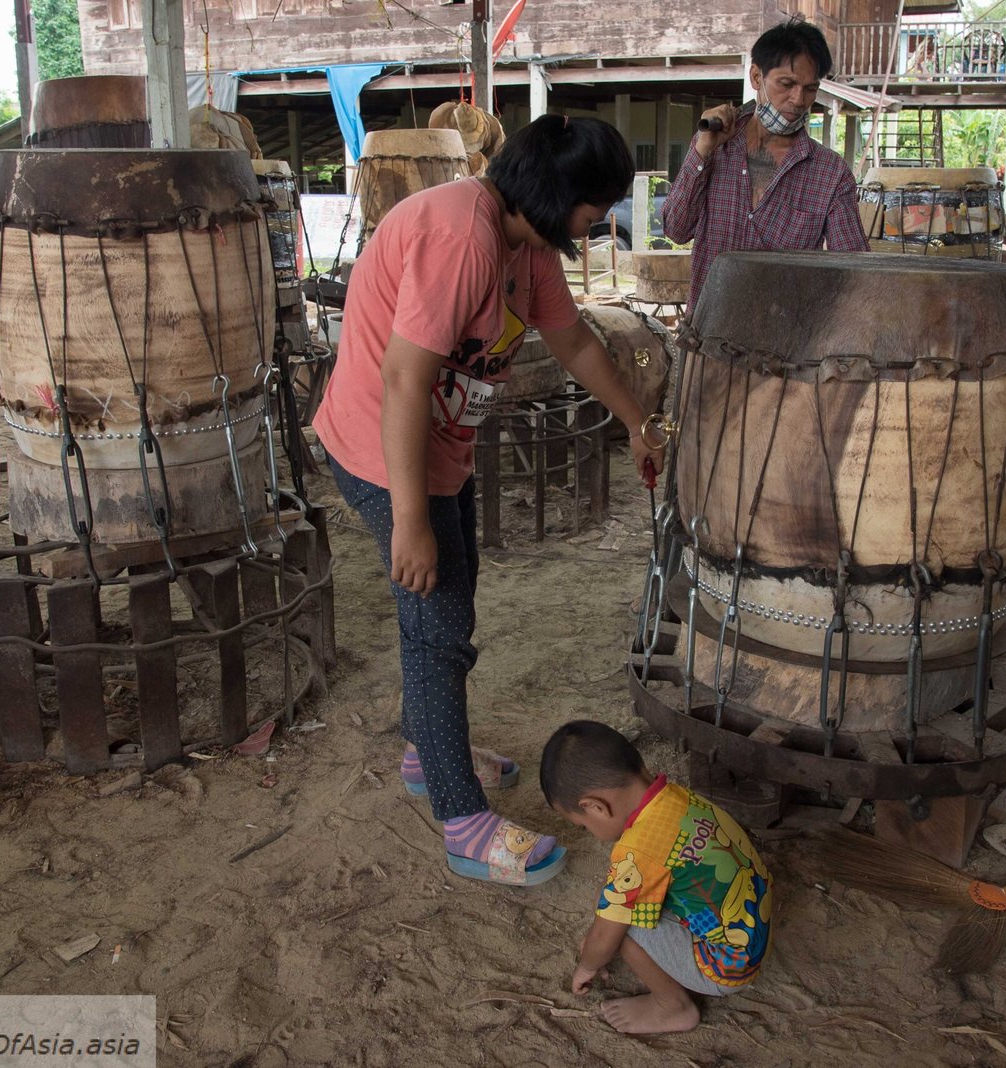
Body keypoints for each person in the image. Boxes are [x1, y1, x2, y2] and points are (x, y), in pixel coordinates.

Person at [312, 115, 666, 887]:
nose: (600, 219)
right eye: (597, 202)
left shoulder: (525, 244)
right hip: (383, 448)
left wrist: (638, 421)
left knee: (451, 605)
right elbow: (403, 379)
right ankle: (462, 821)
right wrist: (410, 519)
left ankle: (426, 749)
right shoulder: (461, 235)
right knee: (436, 626)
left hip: (436, 445)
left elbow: (575, 343)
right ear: (558, 191)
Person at [540, 720, 773, 1034]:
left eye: (583, 826)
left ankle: (672, 1006)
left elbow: (607, 933)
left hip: (726, 967)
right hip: (753, 930)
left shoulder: (638, 850)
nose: (589, 832)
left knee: (615, 911)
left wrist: (589, 963)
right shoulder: (678, 798)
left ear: (595, 807)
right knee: (618, 902)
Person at [660, 18, 869, 312]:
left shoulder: (830, 174)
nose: (798, 100)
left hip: (787, 336)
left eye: (810, 88)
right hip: (709, 332)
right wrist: (702, 151)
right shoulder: (713, 147)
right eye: (787, 84)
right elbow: (676, 230)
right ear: (757, 77)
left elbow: (855, 272)